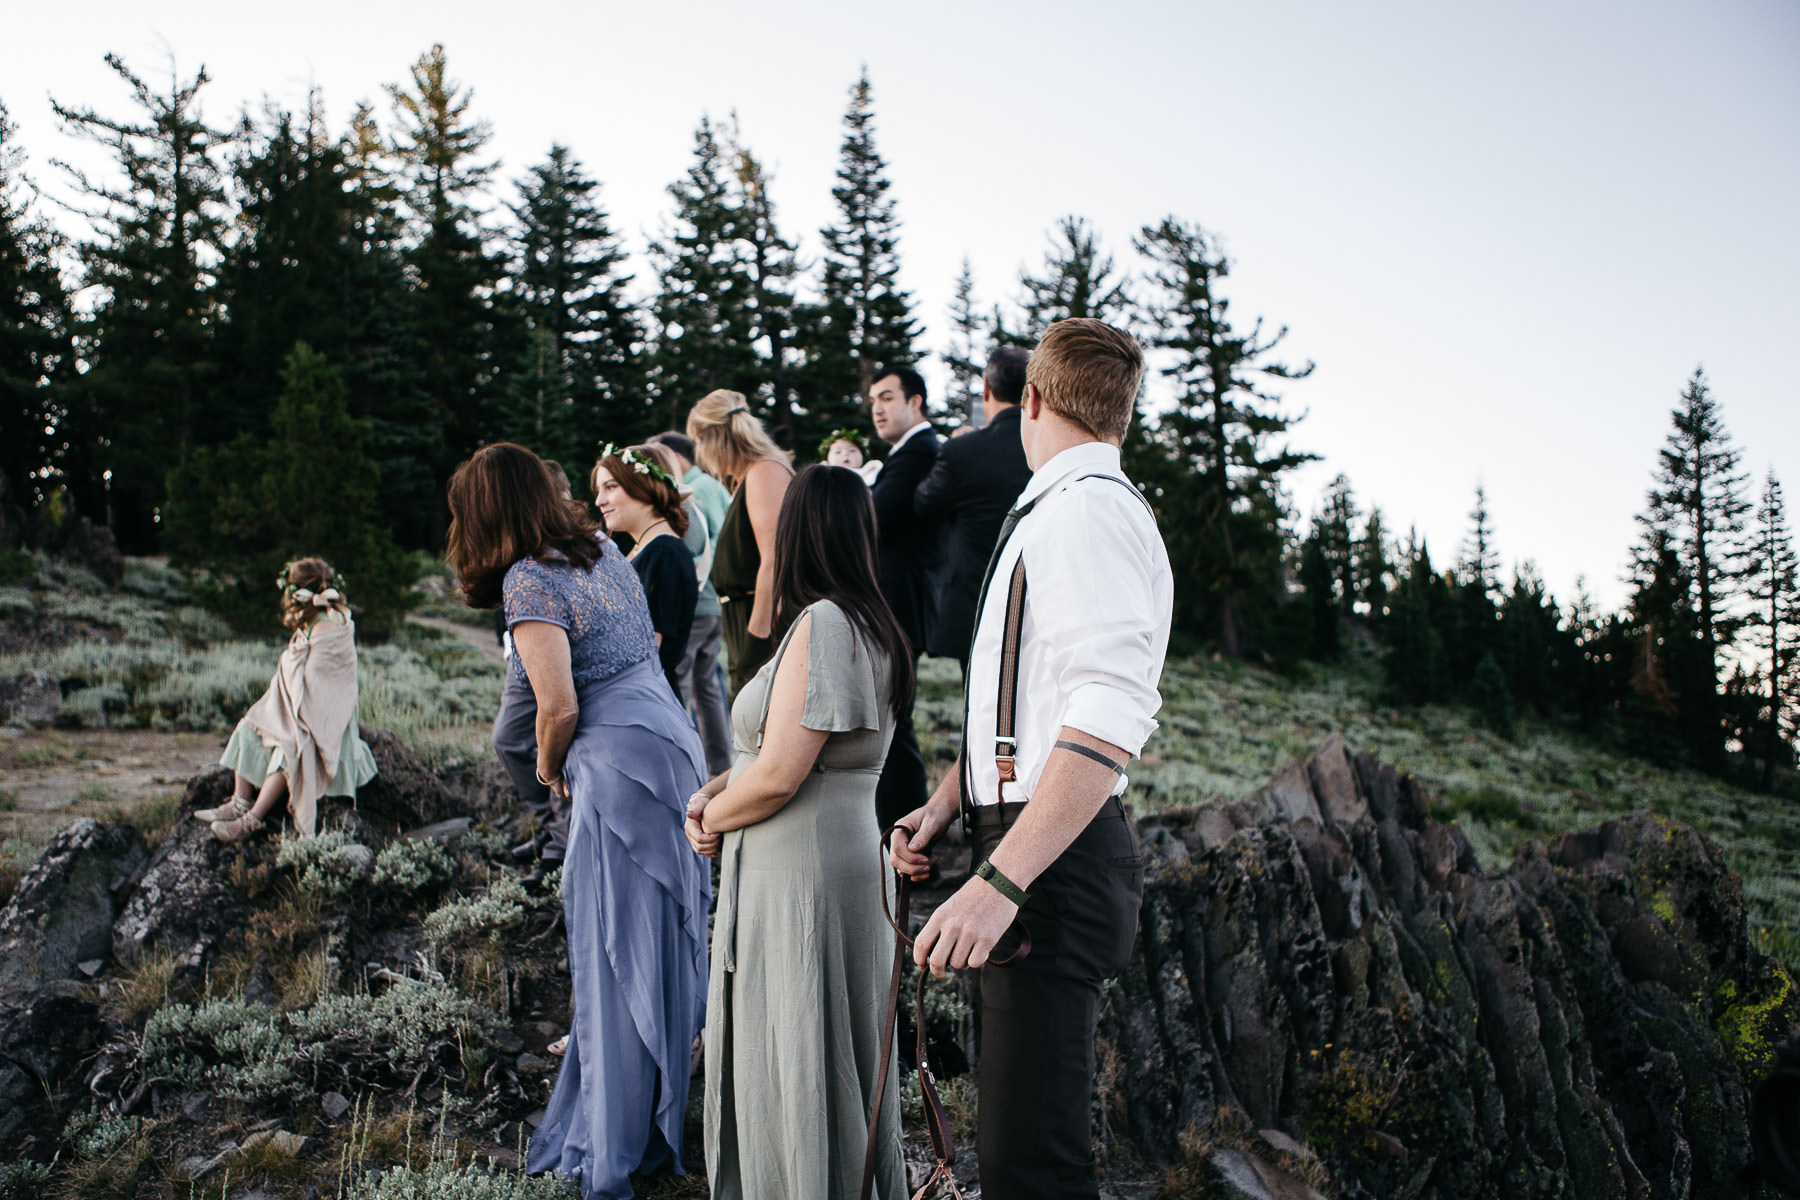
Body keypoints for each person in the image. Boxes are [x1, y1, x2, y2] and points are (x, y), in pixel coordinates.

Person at [889, 319, 1173, 1200]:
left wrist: (1001, 880)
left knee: (1032, 1170)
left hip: (1051, 863)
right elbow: (1037, 708)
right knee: (1017, 1153)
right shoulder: (1065, 506)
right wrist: (948, 802)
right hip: (1032, 843)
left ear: (1034, 400)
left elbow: (1107, 713)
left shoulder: (1086, 510)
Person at [446, 442, 710, 1199]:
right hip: (670, 737)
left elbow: (556, 706)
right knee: (661, 939)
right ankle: (659, 1120)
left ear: (486, 511)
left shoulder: (529, 578)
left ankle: (619, 1140)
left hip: (619, 764)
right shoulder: (596, 547)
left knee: (616, 951)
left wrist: (550, 767)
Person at [683, 464, 914, 1200]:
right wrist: (718, 789)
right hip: (837, 858)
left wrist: (710, 820)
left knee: (800, 1049)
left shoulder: (823, 624)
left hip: (800, 872)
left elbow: (783, 773)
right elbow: (797, 753)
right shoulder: (873, 623)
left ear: (797, 534)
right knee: (824, 1049)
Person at [196, 558, 377, 842]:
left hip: (327, 721)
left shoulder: (329, 629)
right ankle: (239, 801)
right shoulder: (313, 621)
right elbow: (293, 681)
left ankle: (251, 821)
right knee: (250, 724)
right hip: (300, 710)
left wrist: (294, 722)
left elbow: (327, 690)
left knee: (291, 748)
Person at [914, 346, 1035, 675]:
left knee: (981, 708)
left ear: (986, 388)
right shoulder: (1044, 447)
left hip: (974, 601)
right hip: (1036, 602)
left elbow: (924, 506)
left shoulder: (962, 451)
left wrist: (956, 448)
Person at [867, 365, 941, 830]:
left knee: (893, 724)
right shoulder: (903, 455)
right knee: (890, 722)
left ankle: (907, 828)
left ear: (916, 402)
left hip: (900, 606)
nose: (877, 407)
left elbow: (874, 517)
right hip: (893, 605)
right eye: (873, 398)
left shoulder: (918, 453)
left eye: (888, 397)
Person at [685, 390, 794, 694]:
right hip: (743, 619)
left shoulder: (764, 472)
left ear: (714, 437)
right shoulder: (752, 475)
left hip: (760, 625)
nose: (700, 453)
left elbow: (775, 561)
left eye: (698, 441)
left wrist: (756, 643)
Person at [496, 459, 575, 875]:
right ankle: (551, 828)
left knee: (556, 741)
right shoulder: (515, 540)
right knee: (509, 740)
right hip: (520, 653)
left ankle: (560, 843)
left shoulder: (572, 545)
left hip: (555, 653)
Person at [646, 431, 732, 774]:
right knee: (708, 689)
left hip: (694, 604)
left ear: (676, 457)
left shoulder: (690, 497)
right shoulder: (713, 487)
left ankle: (683, 769)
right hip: (714, 603)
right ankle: (721, 768)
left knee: (677, 683)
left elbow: (697, 543)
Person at [593, 443, 698, 700]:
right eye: (599, 490)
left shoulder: (666, 553)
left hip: (644, 702)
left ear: (644, 487)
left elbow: (649, 650)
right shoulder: (648, 550)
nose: (599, 501)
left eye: (611, 487)